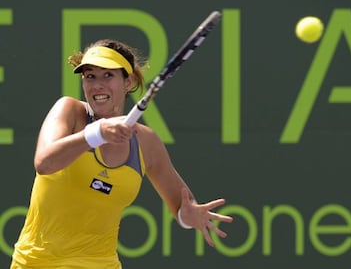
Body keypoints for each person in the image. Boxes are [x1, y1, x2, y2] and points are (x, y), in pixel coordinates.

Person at [10, 39, 233, 268]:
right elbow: (44, 162)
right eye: (90, 76)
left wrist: (188, 217)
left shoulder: (146, 142)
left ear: (129, 82)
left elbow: (182, 205)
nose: (97, 85)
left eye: (108, 75)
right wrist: (97, 133)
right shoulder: (70, 110)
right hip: (38, 262)